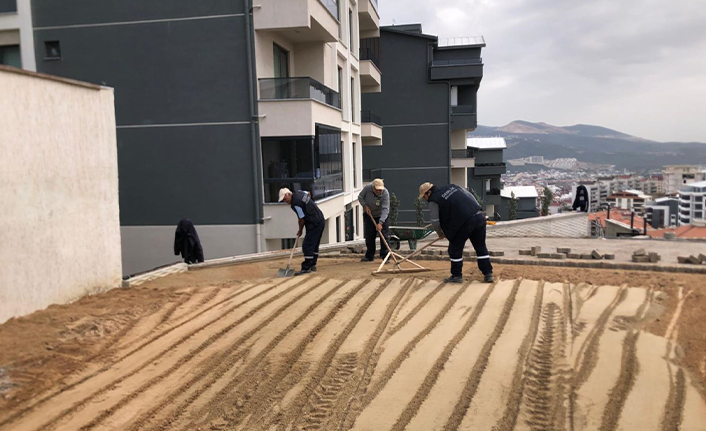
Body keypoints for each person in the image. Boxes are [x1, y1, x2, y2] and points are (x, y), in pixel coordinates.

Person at [419, 182, 494, 283]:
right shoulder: (453, 187)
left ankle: (456, 275)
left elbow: (435, 221)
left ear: (428, 193)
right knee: (480, 246)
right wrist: (478, 210)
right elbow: (470, 196)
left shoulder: (434, 200)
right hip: (478, 216)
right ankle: (488, 274)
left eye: (424, 197)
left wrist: (440, 233)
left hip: (463, 222)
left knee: (454, 249)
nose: (425, 199)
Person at [279, 187, 325, 275]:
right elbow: (308, 193)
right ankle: (312, 264)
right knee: (314, 244)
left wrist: (300, 230)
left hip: (313, 222)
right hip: (320, 219)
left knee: (307, 245)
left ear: (288, 194)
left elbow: (301, 219)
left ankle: (306, 267)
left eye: (285, 199)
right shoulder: (299, 192)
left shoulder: (296, 203)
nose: (286, 201)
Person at [357, 178, 391, 262]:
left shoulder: (385, 193)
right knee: (369, 237)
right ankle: (369, 256)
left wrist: (380, 222)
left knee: (384, 236)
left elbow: (385, 209)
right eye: (377, 190)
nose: (379, 191)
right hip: (370, 214)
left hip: (381, 216)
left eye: (380, 190)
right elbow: (360, 197)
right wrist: (365, 206)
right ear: (373, 187)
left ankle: (385, 256)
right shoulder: (367, 188)